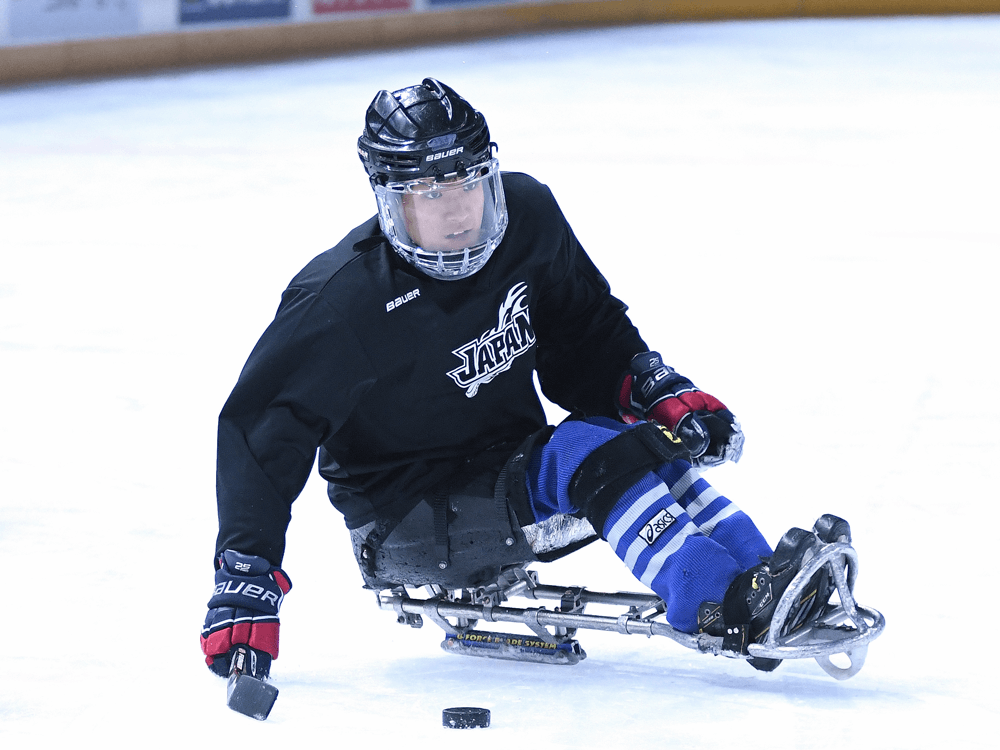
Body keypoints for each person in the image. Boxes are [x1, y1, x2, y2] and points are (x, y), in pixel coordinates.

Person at [201, 78, 837, 679]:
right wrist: (245, 571)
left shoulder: (526, 220)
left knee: (636, 440)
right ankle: (716, 600)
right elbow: (264, 429)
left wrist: (652, 390)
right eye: (431, 195)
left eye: (468, 187)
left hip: (507, 470)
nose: (456, 214)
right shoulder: (343, 303)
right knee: (589, 452)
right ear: (390, 200)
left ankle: (764, 579)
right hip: (406, 518)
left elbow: (585, 332)